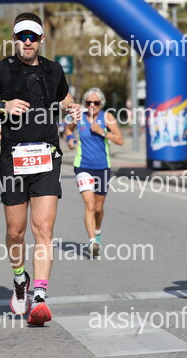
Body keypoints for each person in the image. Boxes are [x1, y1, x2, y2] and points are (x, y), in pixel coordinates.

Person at [0, 12, 81, 326]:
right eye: (22, 37)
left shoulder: (54, 70)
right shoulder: (2, 70)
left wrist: (72, 107)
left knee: (43, 229)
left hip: (46, 157)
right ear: (14, 39)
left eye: (32, 37)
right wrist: (2, 106)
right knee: (15, 232)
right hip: (13, 160)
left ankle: (40, 298)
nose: (27, 42)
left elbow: (65, 97)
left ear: (41, 40)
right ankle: (20, 279)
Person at [65, 88, 124, 258]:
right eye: (88, 102)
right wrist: (70, 140)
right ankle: (92, 242)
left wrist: (102, 132)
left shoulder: (107, 117)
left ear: (101, 104)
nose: (92, 105)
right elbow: (68, 130)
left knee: (98, 208)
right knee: (89, 205)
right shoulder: (79, 117)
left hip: (102, 167)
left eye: (95, 102)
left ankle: (97, 231)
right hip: (83, 166)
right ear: (84, 103)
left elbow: (120, 140)